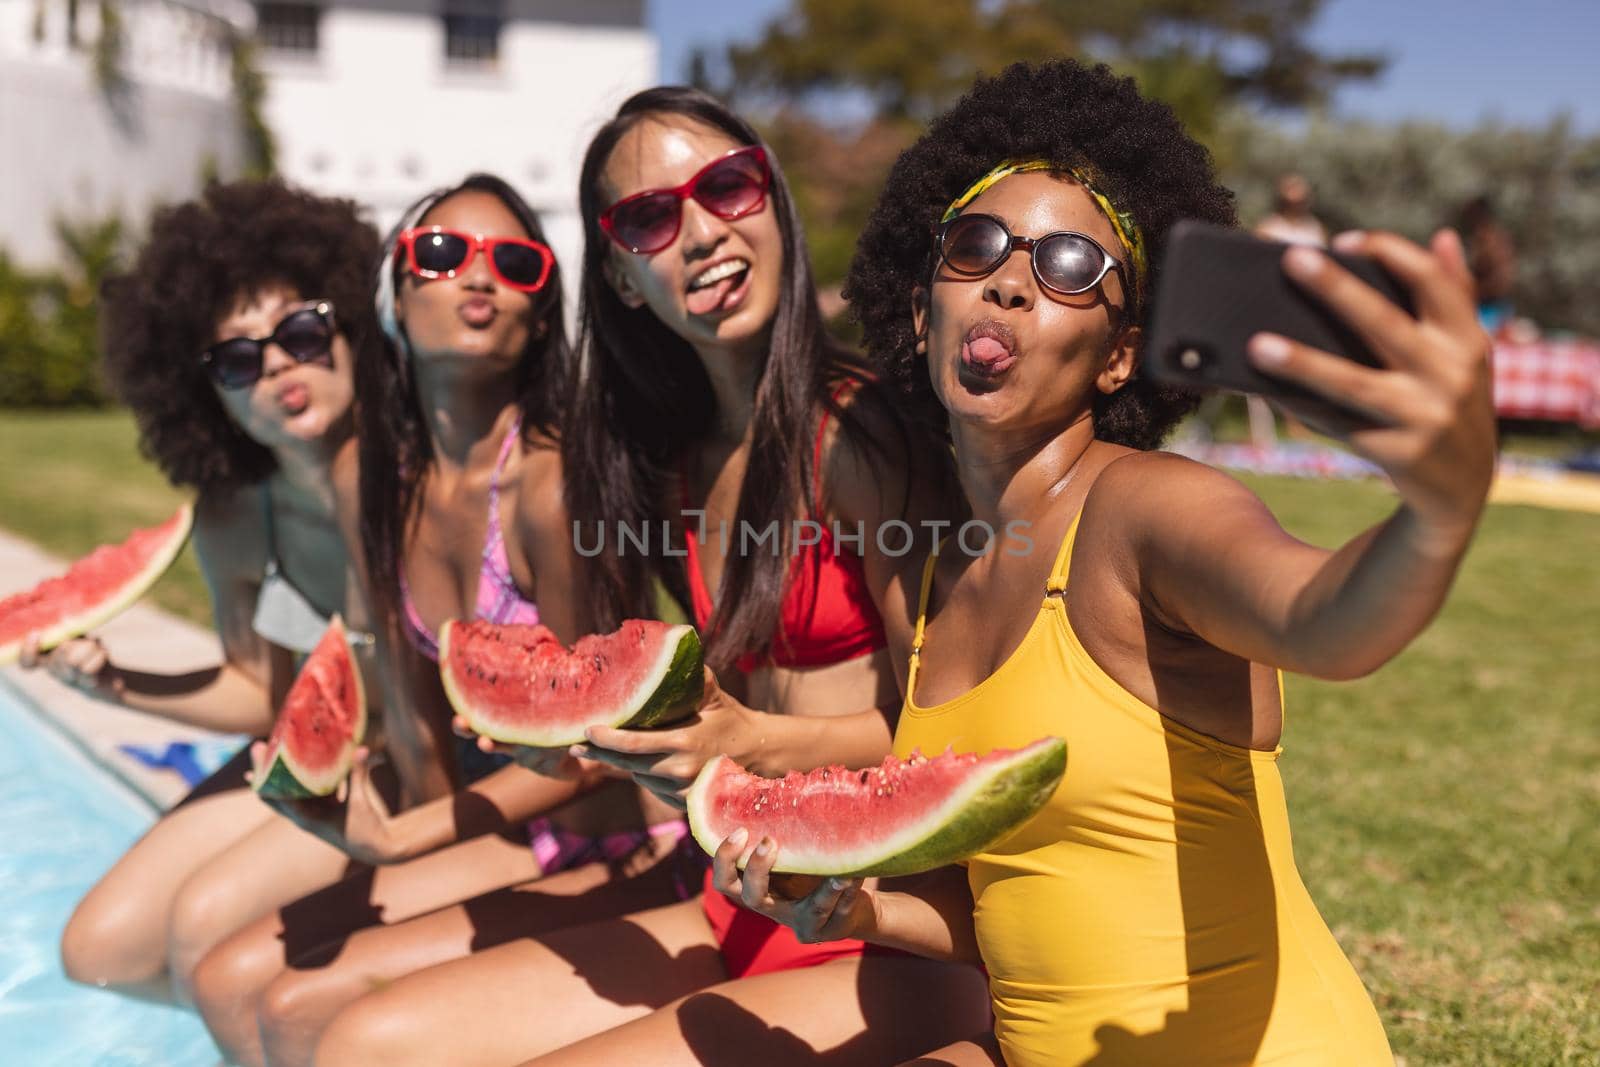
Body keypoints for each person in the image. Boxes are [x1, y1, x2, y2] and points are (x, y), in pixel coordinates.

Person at [716, 59, 1494, 1066]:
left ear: (1120, 353)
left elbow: (1322, 618)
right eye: (976, 246)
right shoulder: (934, 575)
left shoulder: (1146, 508)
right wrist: (850, 901)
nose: (1009, 278)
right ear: (921, 314)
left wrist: (1435, 513)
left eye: (1070, 265)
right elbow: (1019, 900)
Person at [308, 87, 989, 1067]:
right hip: (737, 888)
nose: (702, 230)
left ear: (773, 203)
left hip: (886, 914)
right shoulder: (669, 459)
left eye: (727, 187)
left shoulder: (858, 431)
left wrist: (752, 739)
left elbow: (952, 732)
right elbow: (701, 714)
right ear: (623, 277)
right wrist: (590, 744)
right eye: (649, 217)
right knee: (360, 1041)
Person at [191, 174, 694, 1067]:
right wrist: (391, 857)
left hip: (618, 841)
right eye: (441, 253)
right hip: (493, 829)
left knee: (310, 1011)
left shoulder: (550, 485)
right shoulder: (367, 480)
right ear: (397, 290)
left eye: (515, 263)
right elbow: (415, 718)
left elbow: (598, 743)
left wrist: (404, 842)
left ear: (539, 318)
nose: (478, 276)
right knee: (230, 979)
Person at [12, 179, 380, 1004]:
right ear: (201, 392)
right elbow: (262, 690)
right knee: (97, 947)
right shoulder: (234, 518)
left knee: (204, 925)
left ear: (351, 325)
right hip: (316, 753)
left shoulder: (421, 475)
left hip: (431, 764)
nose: (279, 361)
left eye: (301, 329)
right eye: (238, 356)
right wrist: (113, 680)